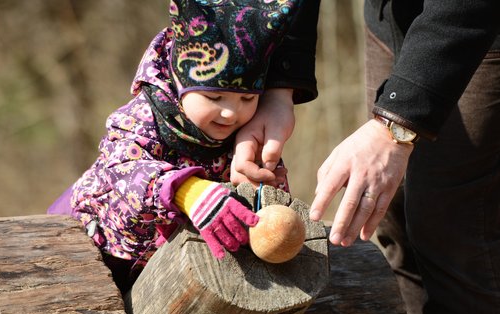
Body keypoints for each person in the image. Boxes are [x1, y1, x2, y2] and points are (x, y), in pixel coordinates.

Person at [234, 0, 500, 314]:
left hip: (490, 23)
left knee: (450, 224)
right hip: (392, 14)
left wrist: (396, 124)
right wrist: (280, 86)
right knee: (392, 210)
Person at [47, 0, 317, 294]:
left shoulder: (244, 133)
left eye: (247, 99)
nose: (231, 113)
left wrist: (262, 195)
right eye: (214, 98)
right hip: (87, 250)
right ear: (179, 81)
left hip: (164, 271)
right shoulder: (142, 119)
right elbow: (124, 171)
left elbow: (261, 204)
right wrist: (189, 193)